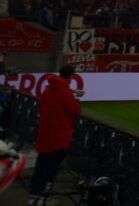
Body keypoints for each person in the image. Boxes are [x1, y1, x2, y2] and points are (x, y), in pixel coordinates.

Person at [28, 63, 81, 205]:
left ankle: (34, 195)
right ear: (71, 76)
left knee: (41, 165)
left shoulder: (48, 90)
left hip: (45, 133)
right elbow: (75, 111)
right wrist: (75, 97)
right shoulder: (65, 92)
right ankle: (43, 198)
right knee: (51, 169)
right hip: (59, 135)